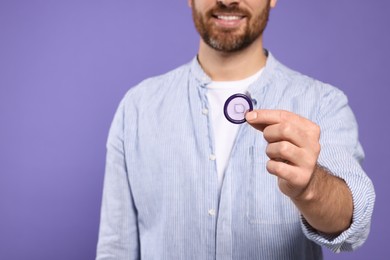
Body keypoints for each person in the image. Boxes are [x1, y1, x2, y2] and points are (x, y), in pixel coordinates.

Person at [96, 0, 375, 259]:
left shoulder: (322, 103)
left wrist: (310, 185)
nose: (228, 0)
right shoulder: (138, 107)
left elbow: (352, 223)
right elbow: (115, 248)